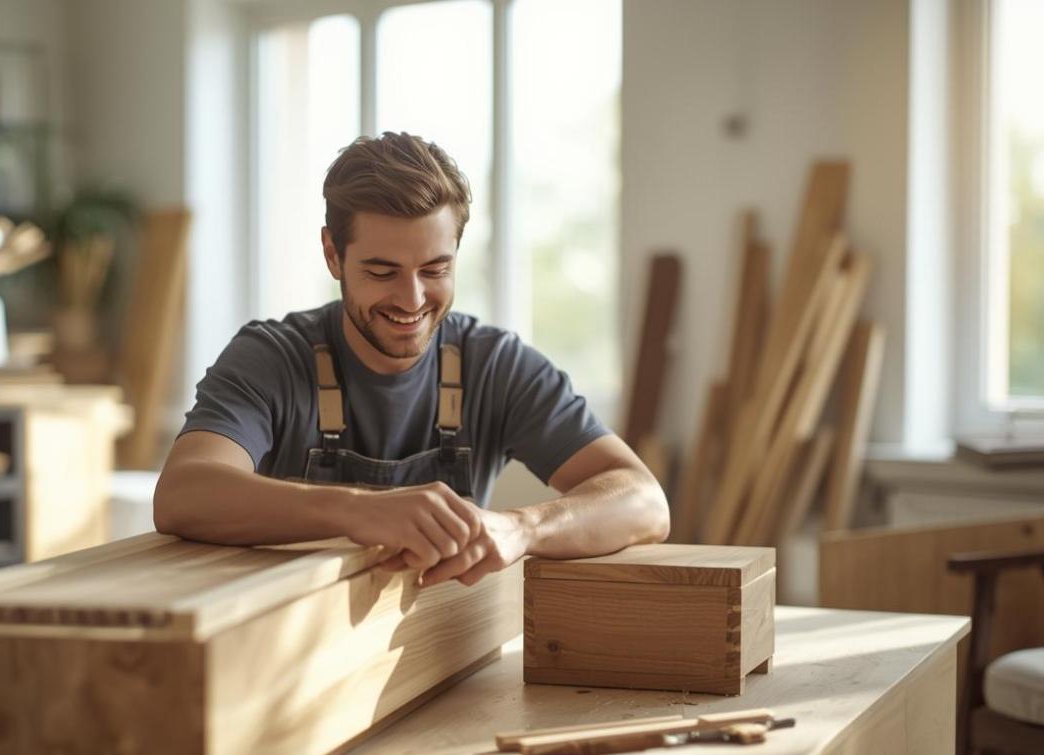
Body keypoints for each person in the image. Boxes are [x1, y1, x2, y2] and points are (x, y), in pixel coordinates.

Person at [154, 132, 667, 585]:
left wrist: (520, 527)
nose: (412, 299)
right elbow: (183, 493)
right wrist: (357, 510)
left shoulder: (496, 366)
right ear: (333, 254)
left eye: (435, 268)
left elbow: (644, 501)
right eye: (382, 272)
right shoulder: (271, 358)